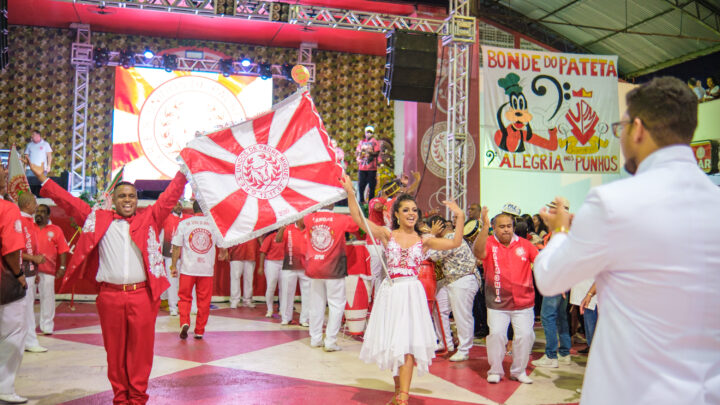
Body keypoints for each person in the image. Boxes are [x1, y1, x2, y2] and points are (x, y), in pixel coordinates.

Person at [534, 76, 720, 405]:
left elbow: (549, 278)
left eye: (620, 129)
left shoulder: (612, 202)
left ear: (637, 129)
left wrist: (561, 230)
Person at [30, 161, 187, 405]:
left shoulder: (150, 218)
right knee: (114, 353)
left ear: (137, 200)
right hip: (110, 297)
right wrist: (44, 180)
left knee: (141, 354)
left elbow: (169, 197)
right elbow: (70, 204)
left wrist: (184, 171)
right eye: (122, 196)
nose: (127, 200)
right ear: (113, 200)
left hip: (142, 296)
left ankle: (137, 399)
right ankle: (120, 400)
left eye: (132, 196)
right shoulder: (97, 220)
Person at [340, 174, 465, 405]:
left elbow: (455, 243)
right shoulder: (387, 234)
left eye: (414, 210)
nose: (411, 214)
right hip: (391, 293)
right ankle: (398, 394)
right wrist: (350, 191)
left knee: (407, 344)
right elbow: (359, 219)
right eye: (406, 210)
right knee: (395, 344)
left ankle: (403, 398)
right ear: (396, 214)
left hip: (412, 293)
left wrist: (459, 216)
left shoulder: (424, 239)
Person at [473, 210, 538, 384]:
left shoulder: (525, 244)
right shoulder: (488, 243)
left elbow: (540, 263)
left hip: (524, 303)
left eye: (509, 226)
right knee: (496, 335)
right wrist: (484, 228)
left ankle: (518, 370)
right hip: (497, 303)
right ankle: (495, 370)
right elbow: (477, 253)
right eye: (501, 227)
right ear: (494, 228)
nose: (506, 230)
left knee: (525, 336)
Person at [304, 204, 359, 352]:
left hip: (314, 267)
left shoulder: (308, 218)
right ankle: (330, 341)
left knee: (316, 304)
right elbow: (357, 225)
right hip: (333, 267)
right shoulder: (340, 219)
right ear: (332, 202)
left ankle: (315, 339)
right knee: (336, 304)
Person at [426, 215, 481, 362]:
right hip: (451, 281)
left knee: (462, 316)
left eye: (430, 228)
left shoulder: (450, 237)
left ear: (437, 226)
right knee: (439, 309)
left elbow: (432, 255)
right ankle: (445, 342)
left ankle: (464, 349)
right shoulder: (447, 237)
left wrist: (431, 235)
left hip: (463, 280)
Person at [170, 201, 225, 340]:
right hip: (206, 270)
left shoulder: (184, 223)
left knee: (184, 298)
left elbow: (176, 246)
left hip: (188, 269)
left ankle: (184, 322)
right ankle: (199, 330)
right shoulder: (214, 224)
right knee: (204, 301)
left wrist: (173, 265)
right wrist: (223, 252)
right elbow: (222, 244)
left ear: (193, 209)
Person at [0, 164, 30, 405]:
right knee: (13, 333)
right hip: (4, 283)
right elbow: (11, 250)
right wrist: (20, 274)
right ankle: (4, 386)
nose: (5, 171)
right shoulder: (7, 209)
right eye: (1, 168)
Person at [17, 192, 47, 353]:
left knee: (27, 307)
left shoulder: (29, 222)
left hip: (29, 272)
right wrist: (34, 259)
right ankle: (29, 341)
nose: (37, 206)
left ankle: (26, 340)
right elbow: (15, 249)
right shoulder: (20, 221)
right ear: (28, 205)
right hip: (22, 272)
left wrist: (35, 267)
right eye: (35, 203)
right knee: (26, 309)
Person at [34, 203, 69, 335]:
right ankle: (28, 328)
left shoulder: (55, 230)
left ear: (48, 215)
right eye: (37, 211)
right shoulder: (30, 227)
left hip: (48, 270)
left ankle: (47, 326)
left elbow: (63, 250)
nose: (39, 214)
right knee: (27, 300)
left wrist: (62, 267)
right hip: (30, 270)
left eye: (42, 212)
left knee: (47, 298)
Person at [275, 220, 310, 326]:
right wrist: (281, 229)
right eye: (304, 215)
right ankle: (286, 318)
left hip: (306, 267)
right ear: (298, 217)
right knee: (286, 293)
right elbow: (278, 240)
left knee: (308, 294)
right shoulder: (288, 227)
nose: (305, 218)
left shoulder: (310, 228)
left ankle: (305, 319)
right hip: (289, 266)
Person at [160, 201, 186, 316]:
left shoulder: (187, 219)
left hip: (185, 256)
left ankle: (184, 306)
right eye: (176, 204)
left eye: (180, 204)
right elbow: (161, 237)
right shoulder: (166, 218)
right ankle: (173, 307)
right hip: (170, 256)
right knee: (172, 281)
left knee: (184, 283)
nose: (179, 206)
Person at [258, 231, 284, 318]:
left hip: (284, 263)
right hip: (271, 263)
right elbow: (263, 252)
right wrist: (261, 267)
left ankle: (282, 309)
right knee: (271, 286)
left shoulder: (288, 235)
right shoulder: (270, 236)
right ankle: (269, 309)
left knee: (284, 288)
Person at [228, 238, 259, 308]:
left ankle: (247, 300)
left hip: (250, 251)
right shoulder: (234, 227)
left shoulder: (253, 226)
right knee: (235, 277)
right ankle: (234, 300)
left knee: (249, 278)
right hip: (235, 252)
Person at [355, 125, 380, 204]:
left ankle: (370, 201)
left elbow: (377, 153)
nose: (368, 134)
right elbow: (357, 152)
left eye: (370, 132)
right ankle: (361, 200)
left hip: (371, 168)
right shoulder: (361, 142)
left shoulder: (374, 142)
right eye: (367, 132)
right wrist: (360, 154)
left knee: (372, 185)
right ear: (365, 133)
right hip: (362, 167)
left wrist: (369, 152)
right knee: (361, 185)